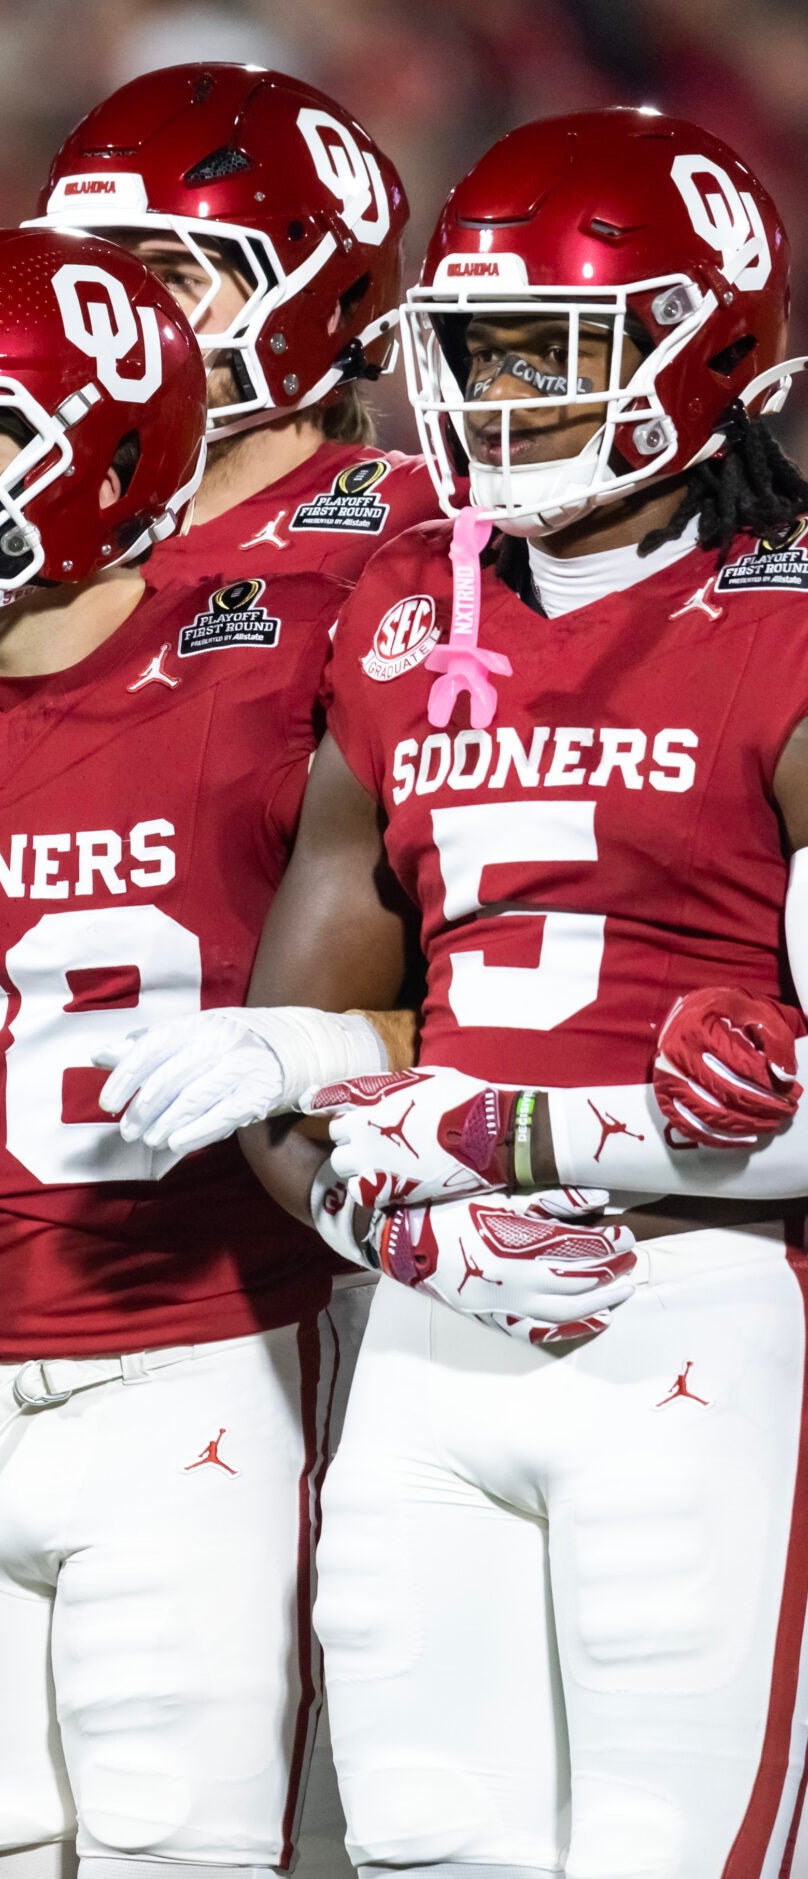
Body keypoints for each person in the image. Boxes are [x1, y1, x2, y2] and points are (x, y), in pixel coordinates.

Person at [104, 109, 808, 1871]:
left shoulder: (790, 608)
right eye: (478, 347)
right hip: (432, 1321)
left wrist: (514, 1127)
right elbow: (298, 1039)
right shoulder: (412, 598)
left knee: (668, 1847)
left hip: (702, 1304)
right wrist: (386, 1223)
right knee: (425, 1842)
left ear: (708, 343)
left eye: (556, 347)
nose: (504, 395)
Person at [0, 225, 357, 1878]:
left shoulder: (273, 653)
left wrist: (333, 1036)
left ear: (104, 446)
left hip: (200, 1357)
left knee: (186, 1843)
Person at [27, 64, 433, 593]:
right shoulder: (10, 534)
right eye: (97, 280)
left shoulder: (427, 530)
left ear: (322, 303)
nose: (118, 319)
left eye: (174, 275)